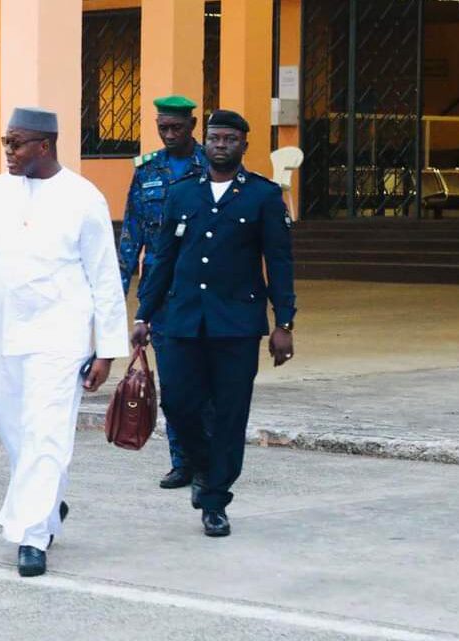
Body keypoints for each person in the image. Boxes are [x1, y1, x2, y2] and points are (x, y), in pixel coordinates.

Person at [0, 107, 129, 577]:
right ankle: (47, 505)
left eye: (17, 143)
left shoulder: (83, 197)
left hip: (61, 335)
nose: (8, 151)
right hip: (4, 334)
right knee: (14, 432)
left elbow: (105, 277)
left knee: (46, 431)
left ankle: (31, 536)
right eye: (6, 142)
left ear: (44, 146)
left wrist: (107, 350)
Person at [132, 109, 296, 538]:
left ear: (245, 144)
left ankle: (215, 500)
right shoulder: (182, 194)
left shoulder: (262, 196)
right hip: (183, 320)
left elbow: (279, 263)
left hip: (237, 325)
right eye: (214, 138)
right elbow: (163, 258)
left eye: (229, 139)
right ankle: (204, 466)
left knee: (229, 414)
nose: (220, 145)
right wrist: (143, 314)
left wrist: (285, 323)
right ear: (204, 142)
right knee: (178, 404)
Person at [118, 95, 210, 490]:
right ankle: (181, 461)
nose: (169, 134)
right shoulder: (147, 170)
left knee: (205, 380)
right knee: (173, 382)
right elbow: (131, 236)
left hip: (203, 289)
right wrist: (118, 296)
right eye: (163, 128)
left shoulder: (211, 165)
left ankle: (207, 458)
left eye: (176, 127)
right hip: (160, 291)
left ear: (192, 126)